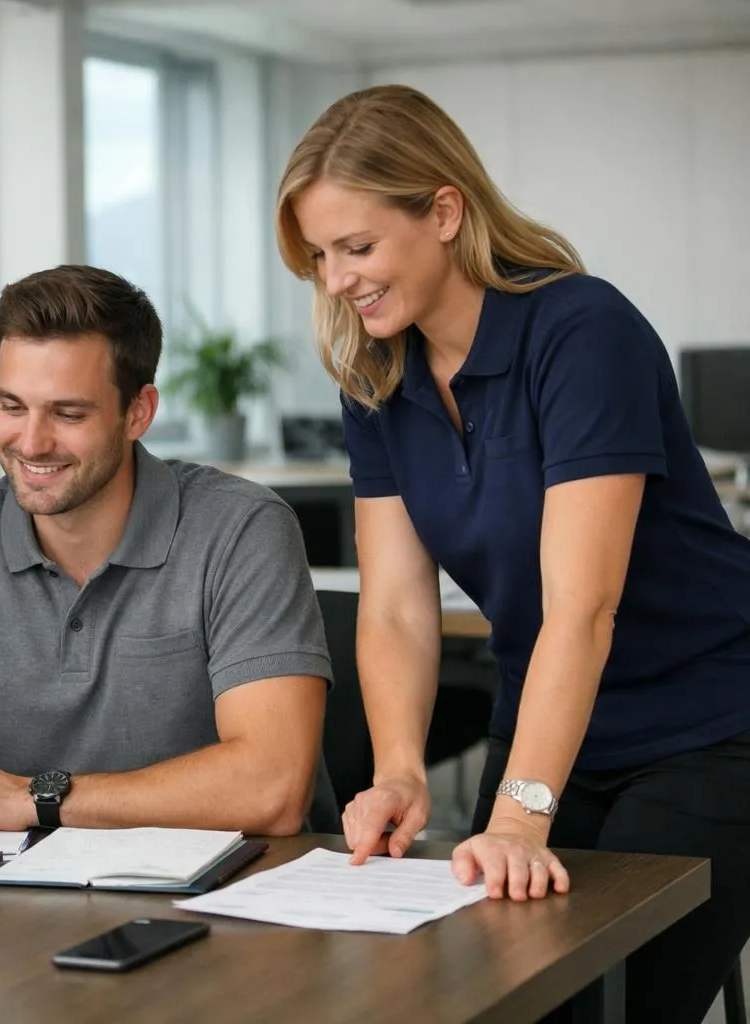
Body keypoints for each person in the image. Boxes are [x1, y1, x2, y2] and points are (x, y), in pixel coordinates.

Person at [276, 83, 750, 1023]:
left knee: (607, 1000)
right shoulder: (376, 373)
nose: (336, 281)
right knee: (489, 993)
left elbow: (584, 605)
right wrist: (402, 771)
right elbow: (398, 605)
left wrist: (518, 817)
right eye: (320, 256)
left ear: (445, 210)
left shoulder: (582, 331)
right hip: (543, 711)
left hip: (708, 725)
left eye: (357, 247)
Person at [0, 265, 328, 839]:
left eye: (68, 414)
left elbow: (272, 788)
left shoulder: (242, 530)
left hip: (230, 898)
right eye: (12, 406)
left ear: (138, 412)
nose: (31, 443)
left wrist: (36, 797)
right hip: (16, 904)